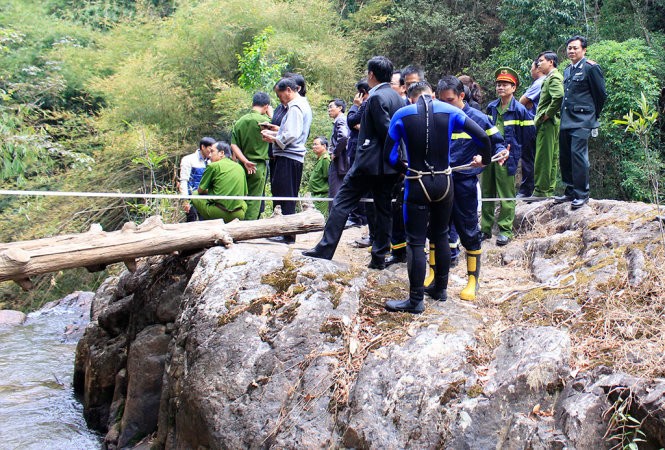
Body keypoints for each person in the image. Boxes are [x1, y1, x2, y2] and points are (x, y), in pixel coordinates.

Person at [384, 81, 491, 314]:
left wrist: (405, 168)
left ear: (411, 98)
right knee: (441, 234)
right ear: (432, 95)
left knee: (415, 240)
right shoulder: (451, 111)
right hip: (445, 180)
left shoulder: (402, 114)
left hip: (417, 180)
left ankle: (415, 300)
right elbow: (483, 136)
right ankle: (440, 289)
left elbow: (389, 155)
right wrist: (486, 160)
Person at [302, 56, 404, 269]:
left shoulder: (375, 98)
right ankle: (378, 258)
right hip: (388, 165)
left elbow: (387, 131)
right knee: (383, 209)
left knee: (341, 202)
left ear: (371, 75)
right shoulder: (396, 98)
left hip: (369, 163)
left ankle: (325, 248)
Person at [436, 75, 509, 301]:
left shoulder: (477, 118)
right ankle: (435, 277)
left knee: (468, 230)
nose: (445, 105)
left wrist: (486, 157)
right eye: (441, 100)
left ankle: (472, 280)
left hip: (464, 182)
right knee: (436, 229)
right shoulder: (437, 117)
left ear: (461, 96)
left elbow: (498, 144)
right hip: (439, 181)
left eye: (450, 100)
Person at [481, 67, 536, 246]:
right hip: (490, 155)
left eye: (505, 84)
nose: (500, 87)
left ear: (513, 88)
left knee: (506, 194)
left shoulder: (519, 109)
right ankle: (485, 228)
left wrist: (515, 150)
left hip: (508, 157)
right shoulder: (491, 107)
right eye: (498, 84)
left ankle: (505, 230)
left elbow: (528, 133)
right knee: (487, 192)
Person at [556, 35, 607, 209]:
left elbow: (600, 95)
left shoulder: (591, 68)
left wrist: (592, 117)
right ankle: (570, 191)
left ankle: (581, 194)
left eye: (575, 48)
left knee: (578, 156)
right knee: (565, 156)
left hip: (582, 120)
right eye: (569, 48)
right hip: (566, 119)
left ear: (584, 50)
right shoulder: (567, 70)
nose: (571, 51)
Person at [261, 77, 313, 244]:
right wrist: (276, 133)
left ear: (289, 90)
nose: (279, 99)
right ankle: (286, 232)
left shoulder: (296, 107)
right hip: (291, 155)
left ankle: (288, 234)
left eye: (280, 95)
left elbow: (291, 134)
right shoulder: (300, 105)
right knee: (285, 193)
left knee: (285, 195)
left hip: (289, 155)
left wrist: (274, 139)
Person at [230, 92, 272, 220]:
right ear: (266, 106)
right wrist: (272, 115)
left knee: (240, 196)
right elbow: (280, 131)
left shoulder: (240, 122)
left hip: (242, 165)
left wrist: (244, 161)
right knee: (254, 199)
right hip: (258, 166)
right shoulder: (266, 122)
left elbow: (234, 145)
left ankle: (237, 223)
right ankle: (248, 226)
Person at [532, 51, 564, 198]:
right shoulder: (550, 77)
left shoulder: (554, 77)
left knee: (544, 157)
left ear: (551, 62)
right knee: (551, 156)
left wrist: (547, 115)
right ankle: (548, 190)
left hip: (548, 123)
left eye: (541, 61)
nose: (539, 64)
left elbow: (558, 96)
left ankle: (541, 191)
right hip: (552, 123)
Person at [190, 141, 248, 222]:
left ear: (221, 153)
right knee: (243, 203)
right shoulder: (239, 167)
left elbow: (200, 190)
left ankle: (207, 221)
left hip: (219, 213)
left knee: (194, 194)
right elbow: (245, 194)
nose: (209, 155)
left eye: (212, 151)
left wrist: (211, 191)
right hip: (239, 213)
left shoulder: (213, 166)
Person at [517, 59, 546, 198]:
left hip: (531, 124)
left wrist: (527, 104)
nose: (530, 70)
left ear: (538, 69)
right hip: (536, 124)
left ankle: (526, 190)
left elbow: (522, 102)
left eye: (532, 67)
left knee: (528, 157)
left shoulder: (540, 83)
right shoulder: (542, 82)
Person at [346, 79, 371, 232]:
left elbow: (352, 121)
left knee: (356, 182)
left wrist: (356, 105)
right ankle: (358, 216)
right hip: (357, 148)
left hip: (362, 150)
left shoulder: (366, 105)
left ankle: (358, 217)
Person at [179, 137, 215, 222]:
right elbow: (184, 180)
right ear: (203, 147)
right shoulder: (188, 159)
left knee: (207, 222)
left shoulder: (212, 161)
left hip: (207, 198)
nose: (211, 152)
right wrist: (185, 200)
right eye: (210, 149)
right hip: (192, 197)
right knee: (192, 221)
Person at [327, 99, 349, 203]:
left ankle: (335, 219)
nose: (329, 110)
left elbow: (344, 137)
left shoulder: (341, 120)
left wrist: (335, 153)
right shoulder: (342, 120)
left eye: (331, 107)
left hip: (340, 162)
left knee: (335, 193)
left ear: (340, 108)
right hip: (343, 162)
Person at [308, 137, 331, 217]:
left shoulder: (325, 159)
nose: (313, 147)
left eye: (316, 144)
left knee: (318, 219)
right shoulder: (320, 159)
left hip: (321, 196)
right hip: (315, 195)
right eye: (313, 144)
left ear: (324, 146)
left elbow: (329, 178)